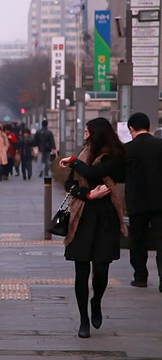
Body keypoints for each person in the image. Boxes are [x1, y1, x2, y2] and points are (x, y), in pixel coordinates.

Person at [58, 117, 126, 339]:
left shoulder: (114, 156)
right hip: (82, 216)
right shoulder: (82, 154)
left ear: (97, 134)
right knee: (80, 271)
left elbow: (91, 173)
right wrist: (87, 194)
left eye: (87, 132)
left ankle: (96, 301)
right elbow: (71, 184)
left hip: (106, 217)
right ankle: (83, 319)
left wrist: (72, 162)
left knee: (101, 269)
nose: (84, 135)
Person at [124, 112, 162, 291]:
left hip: (136, 202)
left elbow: (120, 175)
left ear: (131, 128)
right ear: (149, 127)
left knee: (137, 240)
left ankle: (140, 276)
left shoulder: (127, 149)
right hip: (159, 202)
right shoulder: (160, 145)